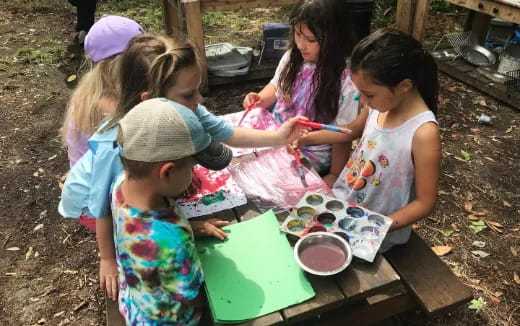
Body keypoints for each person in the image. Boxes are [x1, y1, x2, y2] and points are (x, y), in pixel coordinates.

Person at [59, 33, 309, 301]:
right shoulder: (116, 146)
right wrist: (108, 258)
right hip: (90, 204)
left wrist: (279, 138)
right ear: (152, 99)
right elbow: (105, 206)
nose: (200, 100)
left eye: (199, 89)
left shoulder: (185, 106)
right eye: (190, 94)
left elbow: (225, 132)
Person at [296, 28, 441, 252]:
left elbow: (424, 203)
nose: (363, 100)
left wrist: (372, 225)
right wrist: (306, 139)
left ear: (404, 86)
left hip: (377, 226)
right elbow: (351, 131)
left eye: (369, 94)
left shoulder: (423, 133)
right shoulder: (379, 103)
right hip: (345, 203)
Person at [113, 98, 230, 325]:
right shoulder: (174, 241)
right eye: (193, 167)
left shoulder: (121, 184)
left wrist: (193, 226)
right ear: (167, 173)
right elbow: (191, 298)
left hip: (136, 300)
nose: (195, 175)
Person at [242, 0, 360, 187]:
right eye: (297, 34)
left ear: (334, 39)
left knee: (273, 183)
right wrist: (260, 99)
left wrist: (335, 174)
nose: (301, 45)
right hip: (277, 131)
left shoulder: (346, 81)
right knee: (243, 160)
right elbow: (276, 86)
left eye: (311, 39)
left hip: (312, 149)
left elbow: (343, 135)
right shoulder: (292, 57)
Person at [60, 15, 144, 231]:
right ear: (115, 64)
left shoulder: (90, 89)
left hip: (87, 193)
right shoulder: (110, 105)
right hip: (100, 204)